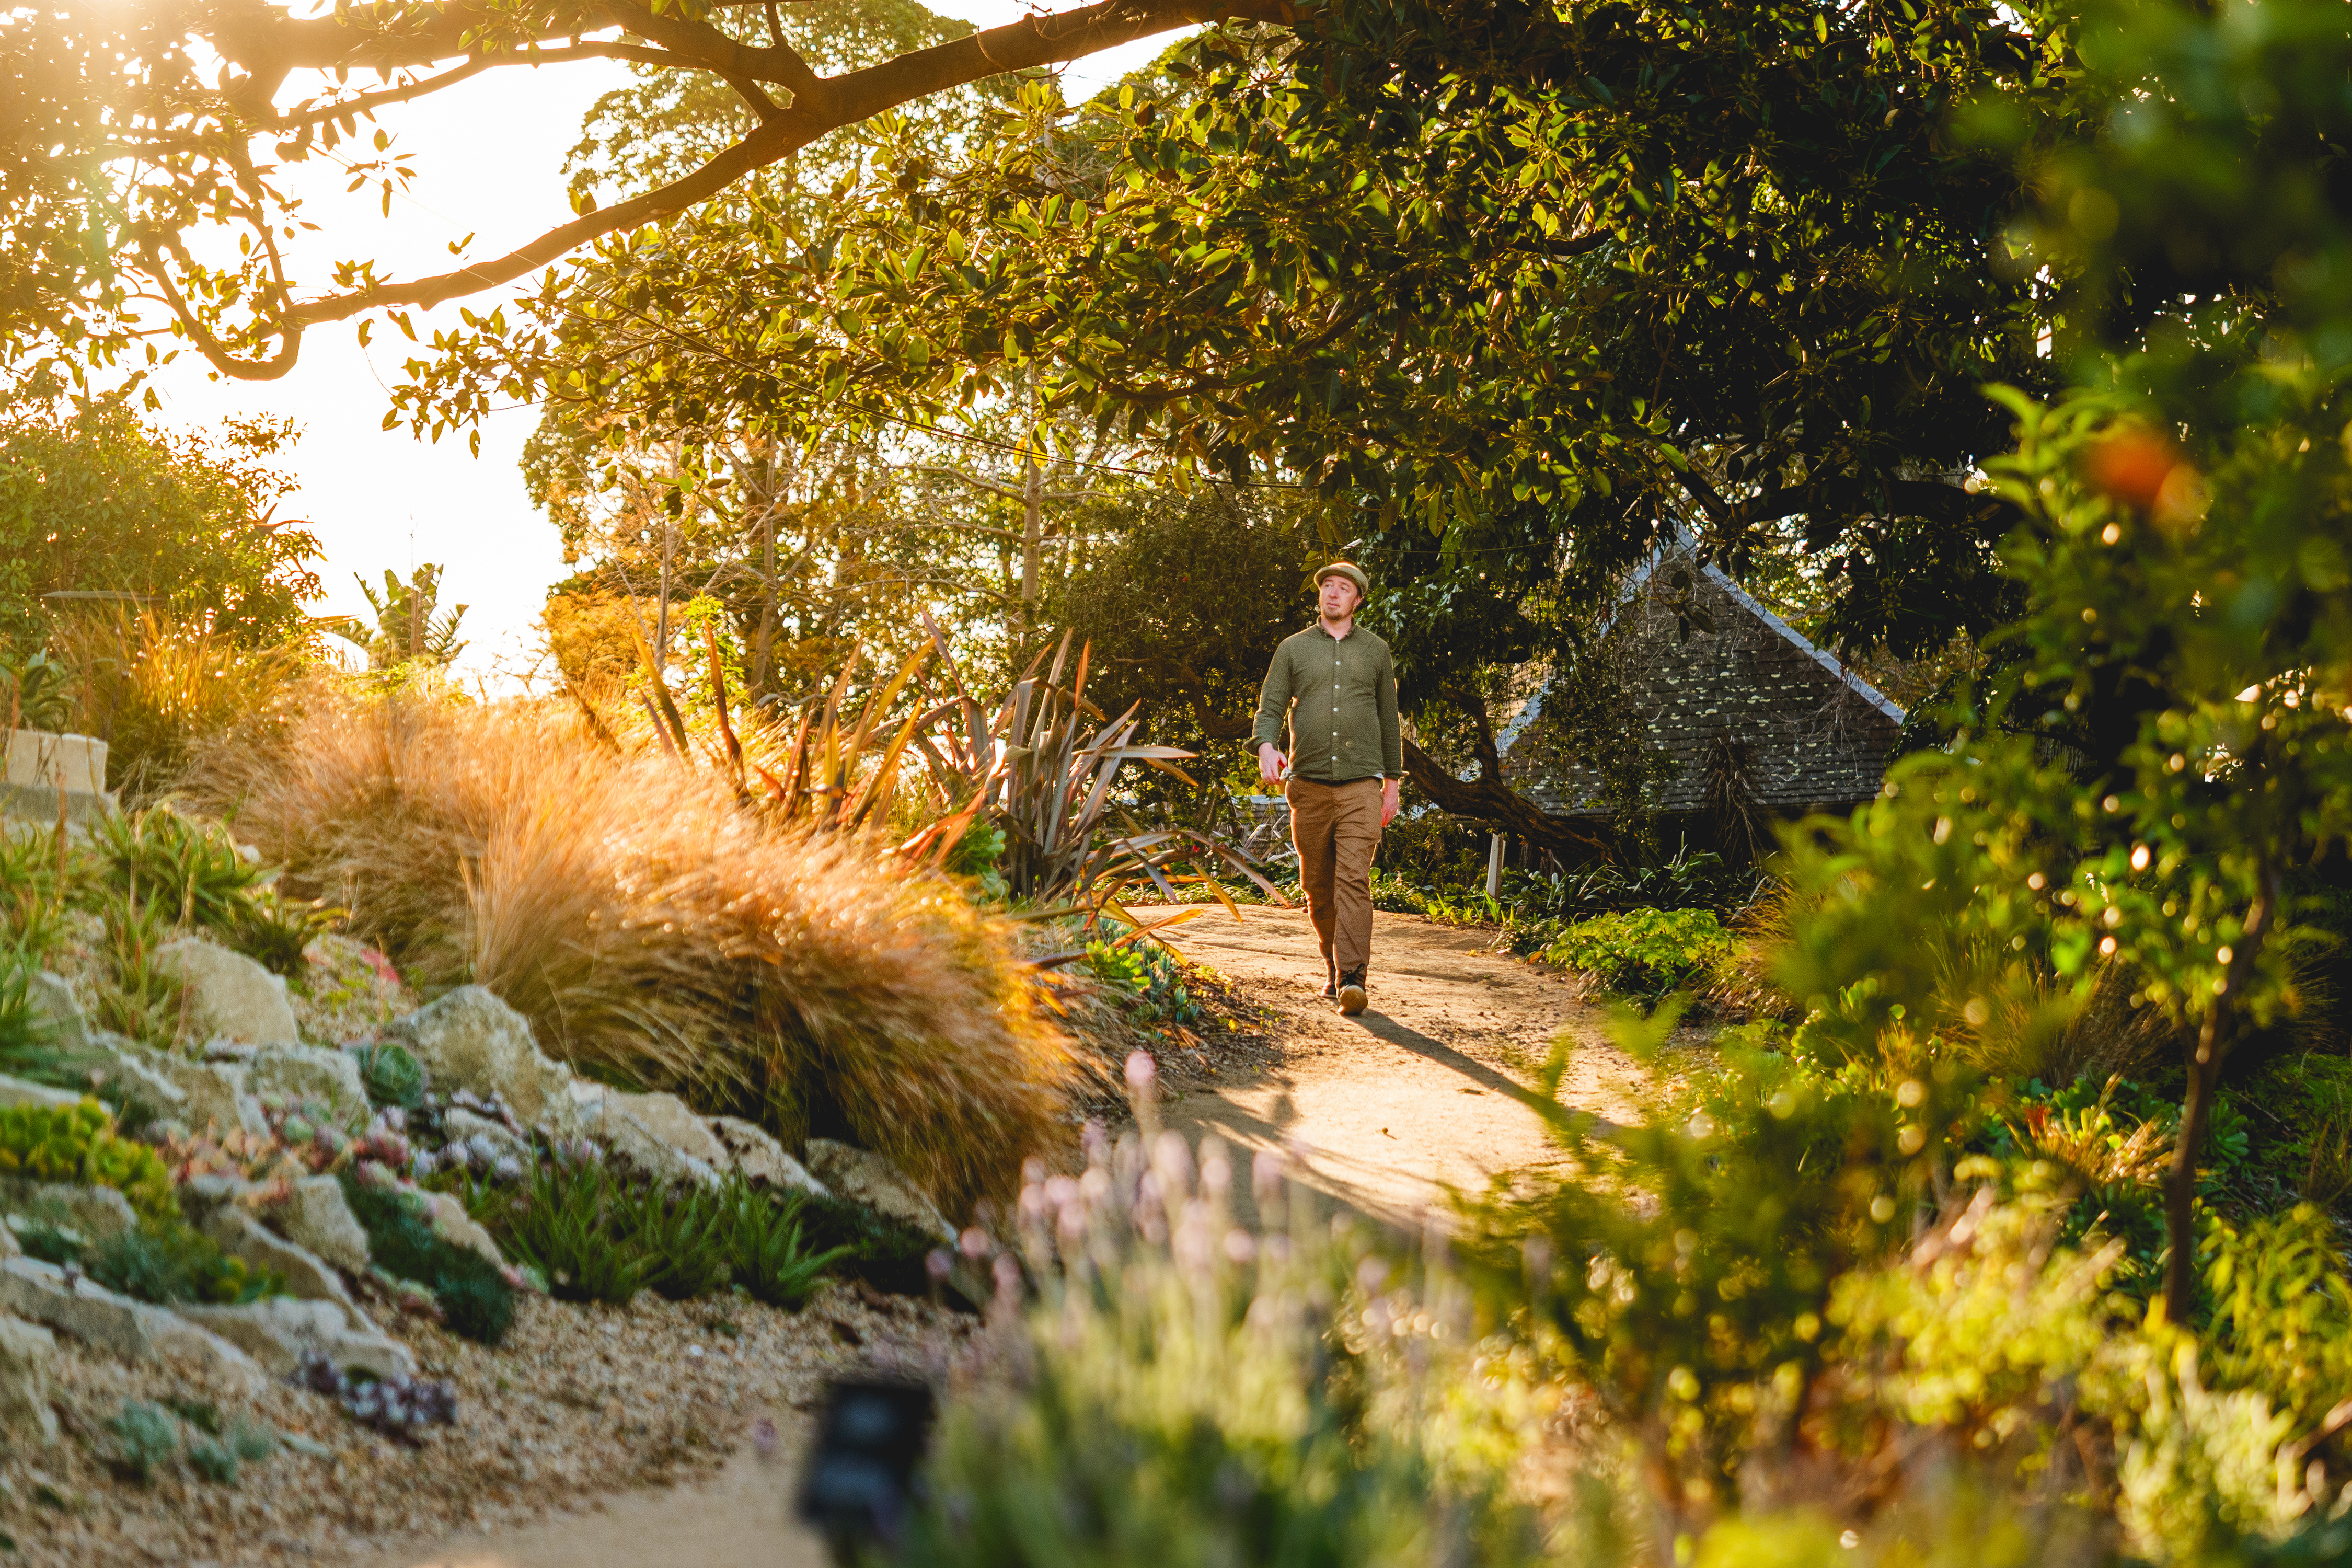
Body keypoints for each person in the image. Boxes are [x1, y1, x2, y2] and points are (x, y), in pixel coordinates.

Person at [1252, 561, 1401, 1016]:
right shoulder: (1293, 649)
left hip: (1362, 784)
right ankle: (1334, 969)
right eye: (1327, 588)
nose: (1333, 594)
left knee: (1353, 879)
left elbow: (1388, 720)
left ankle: (1354, 978)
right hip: (1309, 786)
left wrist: (1391, 785)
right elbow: (1271, 705)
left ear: (1358, 599)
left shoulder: (1376, 652)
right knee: (1318, 886)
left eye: (1344, 588)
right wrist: (1265, 746)